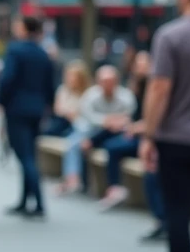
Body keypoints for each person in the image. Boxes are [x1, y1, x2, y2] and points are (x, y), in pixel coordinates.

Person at [139, 0, 190, 252]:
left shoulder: (172, 36)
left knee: (177, 213)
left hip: (177, 138)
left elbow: (160, 88)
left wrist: (148, 134)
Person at [0, 15, 55, 218]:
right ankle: (25, 200)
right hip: (37, 110)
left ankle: (38, 202)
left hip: (17, 109)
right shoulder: (43, 53)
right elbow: (50, 84)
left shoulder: (15, 50)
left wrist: (1, 102)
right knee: (30, 153)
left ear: (24, 29)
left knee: (25, 156)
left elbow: (8, 79)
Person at [56, 65, 136, 196]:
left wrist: (112, 122)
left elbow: (127, 117)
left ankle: (111, 188)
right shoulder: (91, 96)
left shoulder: (126, 96)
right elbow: (89, 116)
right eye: (104, 81)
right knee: (77, 143)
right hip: (93, 131)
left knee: (111, 146)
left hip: (116, 133)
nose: (107, 85)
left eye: (110, 81)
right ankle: (73, 179)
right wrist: (106, 120)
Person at [95, 51, 150, 211]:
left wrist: (136, 127)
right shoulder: (137, 87)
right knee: (107, 140)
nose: (140, 68)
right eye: (138, 65)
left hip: (148, 137)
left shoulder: (151, 86)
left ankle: (114, 188)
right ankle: (113, 188)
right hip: (135, 133)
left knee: (112, 146)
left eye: (143, 65)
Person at [44, 60, 89, 137]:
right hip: (63, 122)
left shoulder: (87, 92)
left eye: (73, 76)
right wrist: (69, 114)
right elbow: (57, 110)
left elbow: (84, 113)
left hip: (79, 124)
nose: (70, 79)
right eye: (69, 75)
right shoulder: (62, 89)